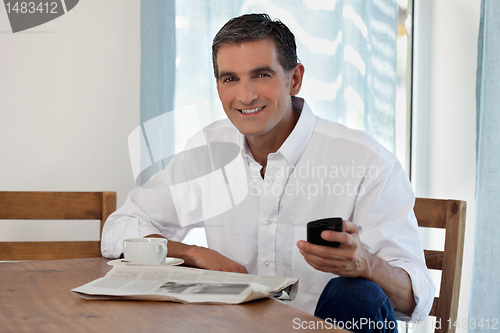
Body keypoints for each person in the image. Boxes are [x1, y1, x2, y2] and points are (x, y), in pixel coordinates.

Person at [102, 13, 434, 332]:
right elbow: (119, 230)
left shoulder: (366, 161)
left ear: (295, 79)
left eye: (261, 75)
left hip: (329, 323)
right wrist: (192, 253)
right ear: (218, 87)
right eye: (230, 79)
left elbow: (414, 301)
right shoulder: (207, 151)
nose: (246, 96)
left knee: (358, 294)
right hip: (232, 327)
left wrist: (366, 264)